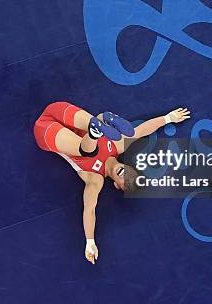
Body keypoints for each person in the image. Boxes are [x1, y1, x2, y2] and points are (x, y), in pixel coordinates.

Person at [33, 102, 190, 264]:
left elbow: (89, 210)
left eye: (126, 182)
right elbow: (142, 130)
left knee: (86, 150)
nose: (127, 176)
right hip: (59, 111)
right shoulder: (117, 145)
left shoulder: (95, 179)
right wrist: (169, 118)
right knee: (97, 121)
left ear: (117, 185)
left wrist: (90, 242)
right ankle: (100, 123)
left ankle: (96, 131)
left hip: (46, 132)